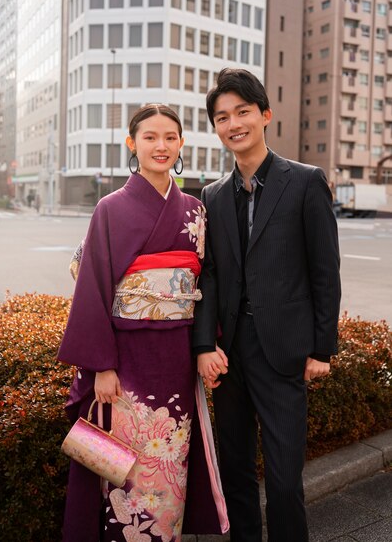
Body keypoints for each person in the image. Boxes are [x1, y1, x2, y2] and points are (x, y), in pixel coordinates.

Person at [58, 104, 228, 542]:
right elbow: (93, 287)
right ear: (132, 144)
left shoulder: (194, 210)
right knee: (123, 469)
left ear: (182, 144)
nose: (161, 146)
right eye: (150, 137)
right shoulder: (111, 208)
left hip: (175, 358)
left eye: (170, 137)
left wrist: (206, 345)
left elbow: (206, 281)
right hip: (125, 365)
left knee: (168, 464)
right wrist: (101, 366)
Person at [193, 69, 341, 542]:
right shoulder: (213, 196)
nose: (233, 123)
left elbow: (324, 270)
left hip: (284, 351)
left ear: (264, 115)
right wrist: (203, 345)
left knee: (282, 479)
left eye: (242, 112)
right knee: (236, 472)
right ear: (215, 127)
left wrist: (322, 349)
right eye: (222, 117)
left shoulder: (304, 182)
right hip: (230, 354)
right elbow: (210, 276)